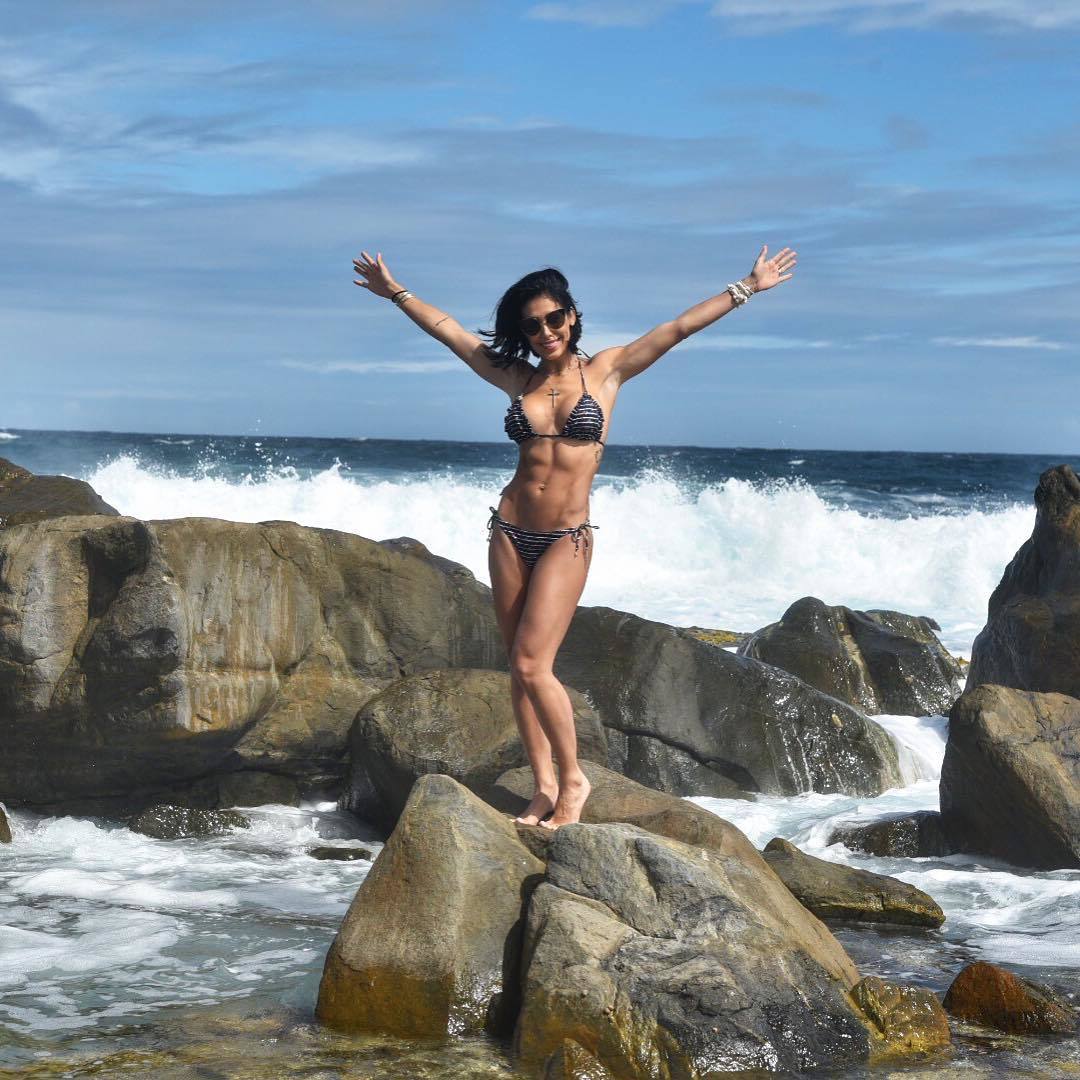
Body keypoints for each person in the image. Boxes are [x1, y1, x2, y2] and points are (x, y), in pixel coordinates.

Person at [352, 246, 797, 828]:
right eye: (532, 325)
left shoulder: (607, 370)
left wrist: (747, 286)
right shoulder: (517, 378)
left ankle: (574, 780)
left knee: (532, 663)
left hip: (567, 537)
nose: (545, 332)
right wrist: (396, 292)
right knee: (519, 668)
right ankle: (542, 787)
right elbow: (449, 332)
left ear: (572, 316)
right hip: (509, 532)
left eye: (553, 319)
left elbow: (677, 328)